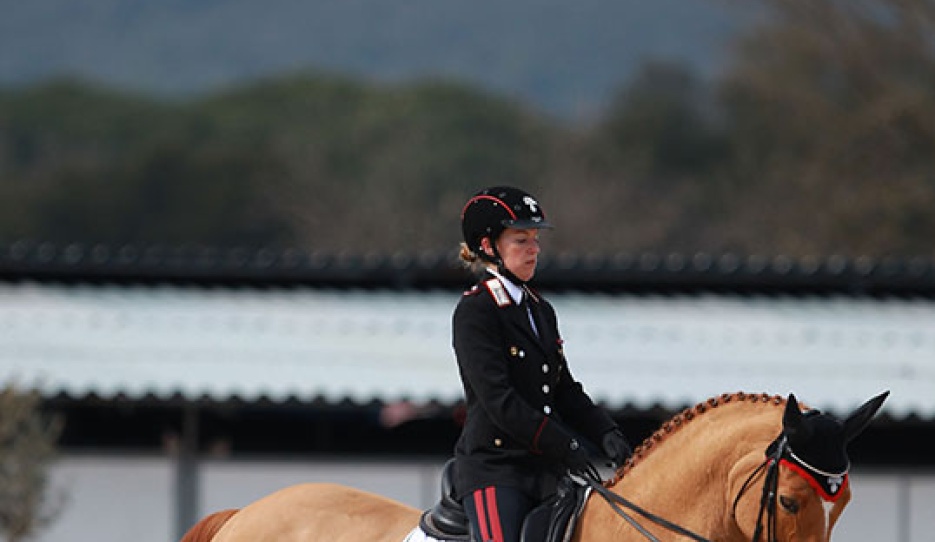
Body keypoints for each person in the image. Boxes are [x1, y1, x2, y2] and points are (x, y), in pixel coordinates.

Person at [451, 186, 632, 542]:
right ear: (488, 247)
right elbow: (500, 401)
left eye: (535, 240)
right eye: (521, 240)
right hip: (497, 471)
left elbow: (563, 388)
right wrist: (566, 444)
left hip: (548, 472)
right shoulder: (477, 310)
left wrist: (607, 433)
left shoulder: (540, 310)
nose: (534, 249)